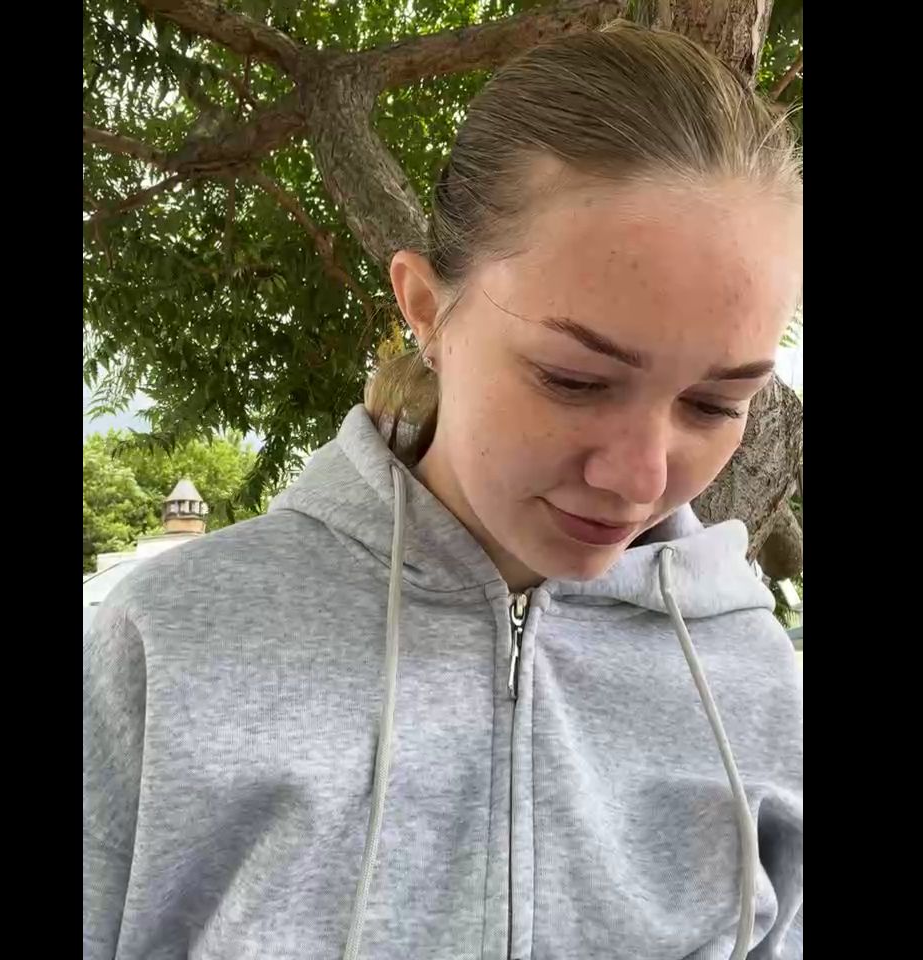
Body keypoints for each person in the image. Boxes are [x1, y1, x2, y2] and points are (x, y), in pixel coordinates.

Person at [84, 20, 803, 960]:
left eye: (715, 403)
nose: (640, 477)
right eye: (574, 380)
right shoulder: (171, 644)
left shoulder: (753, 675)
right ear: (427, 311)